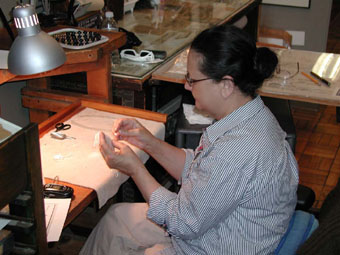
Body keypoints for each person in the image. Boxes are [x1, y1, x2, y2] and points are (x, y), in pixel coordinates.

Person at [80, 24, 299, 255]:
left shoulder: (236, 150)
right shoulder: (251, 115)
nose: (186, 85)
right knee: (116, 219)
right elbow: (202, 169)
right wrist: (147, 142)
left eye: (192, 80)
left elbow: (183, 223)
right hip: (215, 226)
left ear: (226, 85)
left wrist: (135, 168)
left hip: (218, 245)